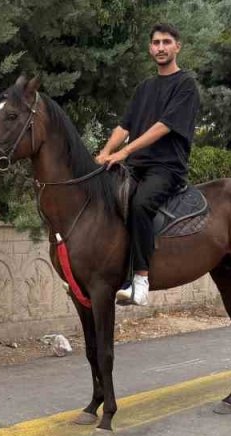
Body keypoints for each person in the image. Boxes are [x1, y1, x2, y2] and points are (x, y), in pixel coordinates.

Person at [94, 22, 201, 306]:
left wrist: (125, 152)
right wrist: (105, 152)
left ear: (178, 46)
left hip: (167, 168)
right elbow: (124, 125)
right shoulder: (145, 87)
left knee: (141, 204)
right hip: (136, 167)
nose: (161, 47)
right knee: (105, 199)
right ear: (150, 48)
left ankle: (141, 279)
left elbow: (164, 126)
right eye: (156, 42)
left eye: (167, 42)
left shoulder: (186, 84)